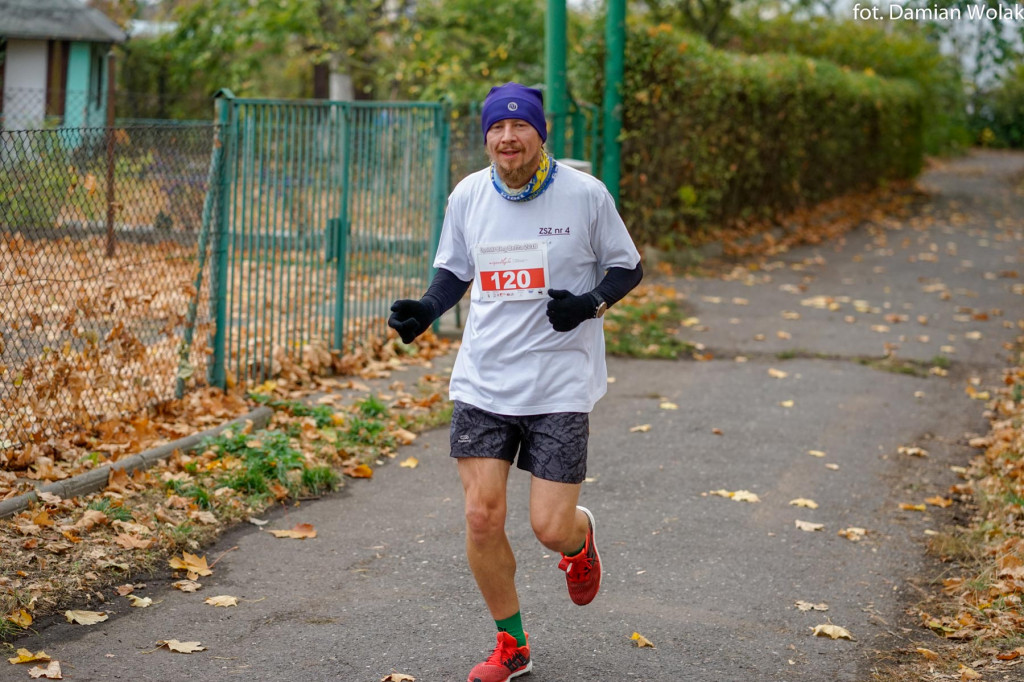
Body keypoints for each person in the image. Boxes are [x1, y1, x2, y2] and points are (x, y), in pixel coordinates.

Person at [388, 82, 643, 682]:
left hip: (559, 384)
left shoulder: (585, 194)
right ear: (486, 138)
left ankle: (580, 542)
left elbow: (628, 266)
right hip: (484, 380)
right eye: (497, 129)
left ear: (539, 133)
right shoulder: (469, 194)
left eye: (520, 126)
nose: (508, 137)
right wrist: (427, 310)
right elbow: (455, 268)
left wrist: (589, 304)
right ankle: (513, 645)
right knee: (481, 517)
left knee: (549, 528)